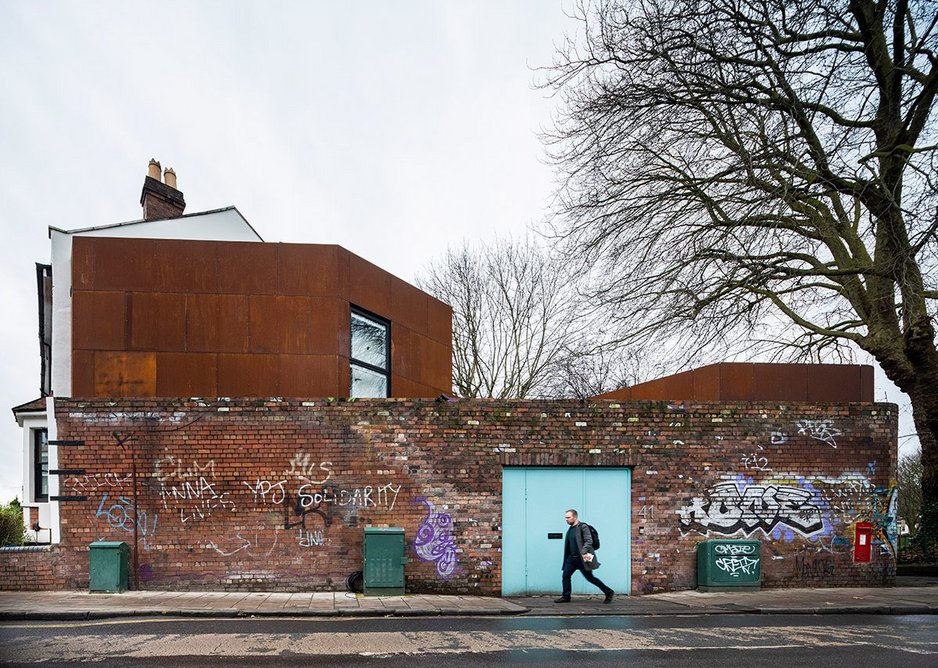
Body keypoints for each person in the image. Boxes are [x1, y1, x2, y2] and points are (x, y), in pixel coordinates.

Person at [554, 508, 614, 604]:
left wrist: (583, 552)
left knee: (590, 578)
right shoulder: (570, 529)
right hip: (572, 558)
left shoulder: (583, 527)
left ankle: (609, 592)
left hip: (582, 559)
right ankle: (566, 596)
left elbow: (589, 541)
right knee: (565, 576)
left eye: (568, 517)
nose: (566, 519)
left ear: (575, 517)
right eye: (565, 518)